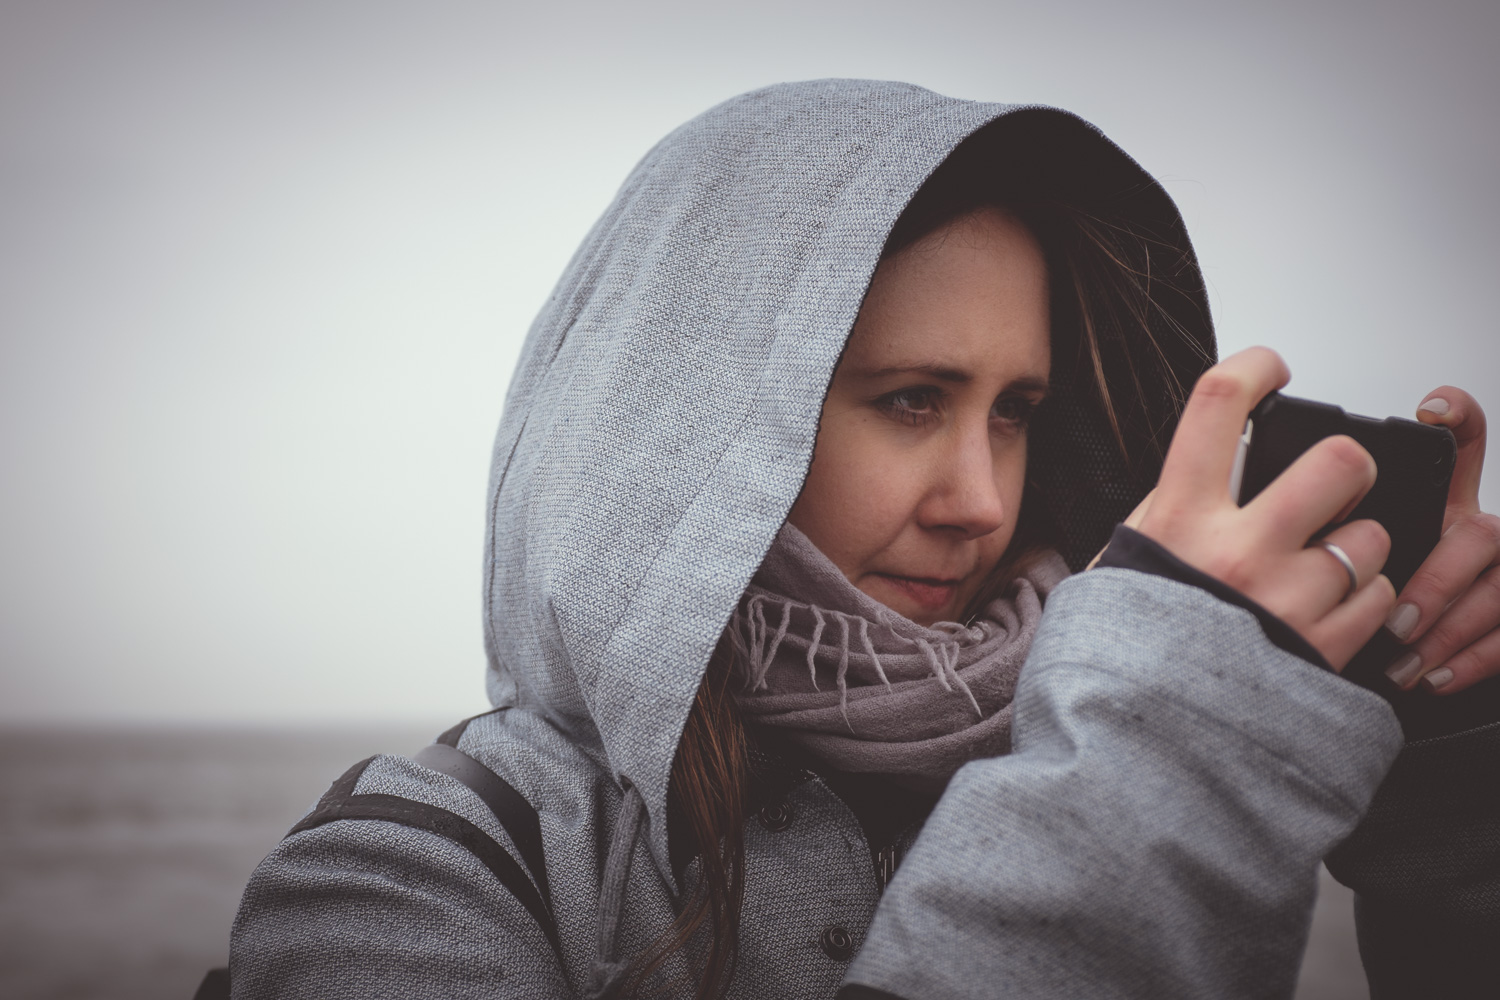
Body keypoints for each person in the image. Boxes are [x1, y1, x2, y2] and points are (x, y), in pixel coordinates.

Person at [228, 80, 1500, 999]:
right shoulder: (418, 870)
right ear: (694, 426)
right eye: (909, 400)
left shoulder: (1118, 717)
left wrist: (1447, 791)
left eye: (1018, 415)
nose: (982, 502)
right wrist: (1162, 768)